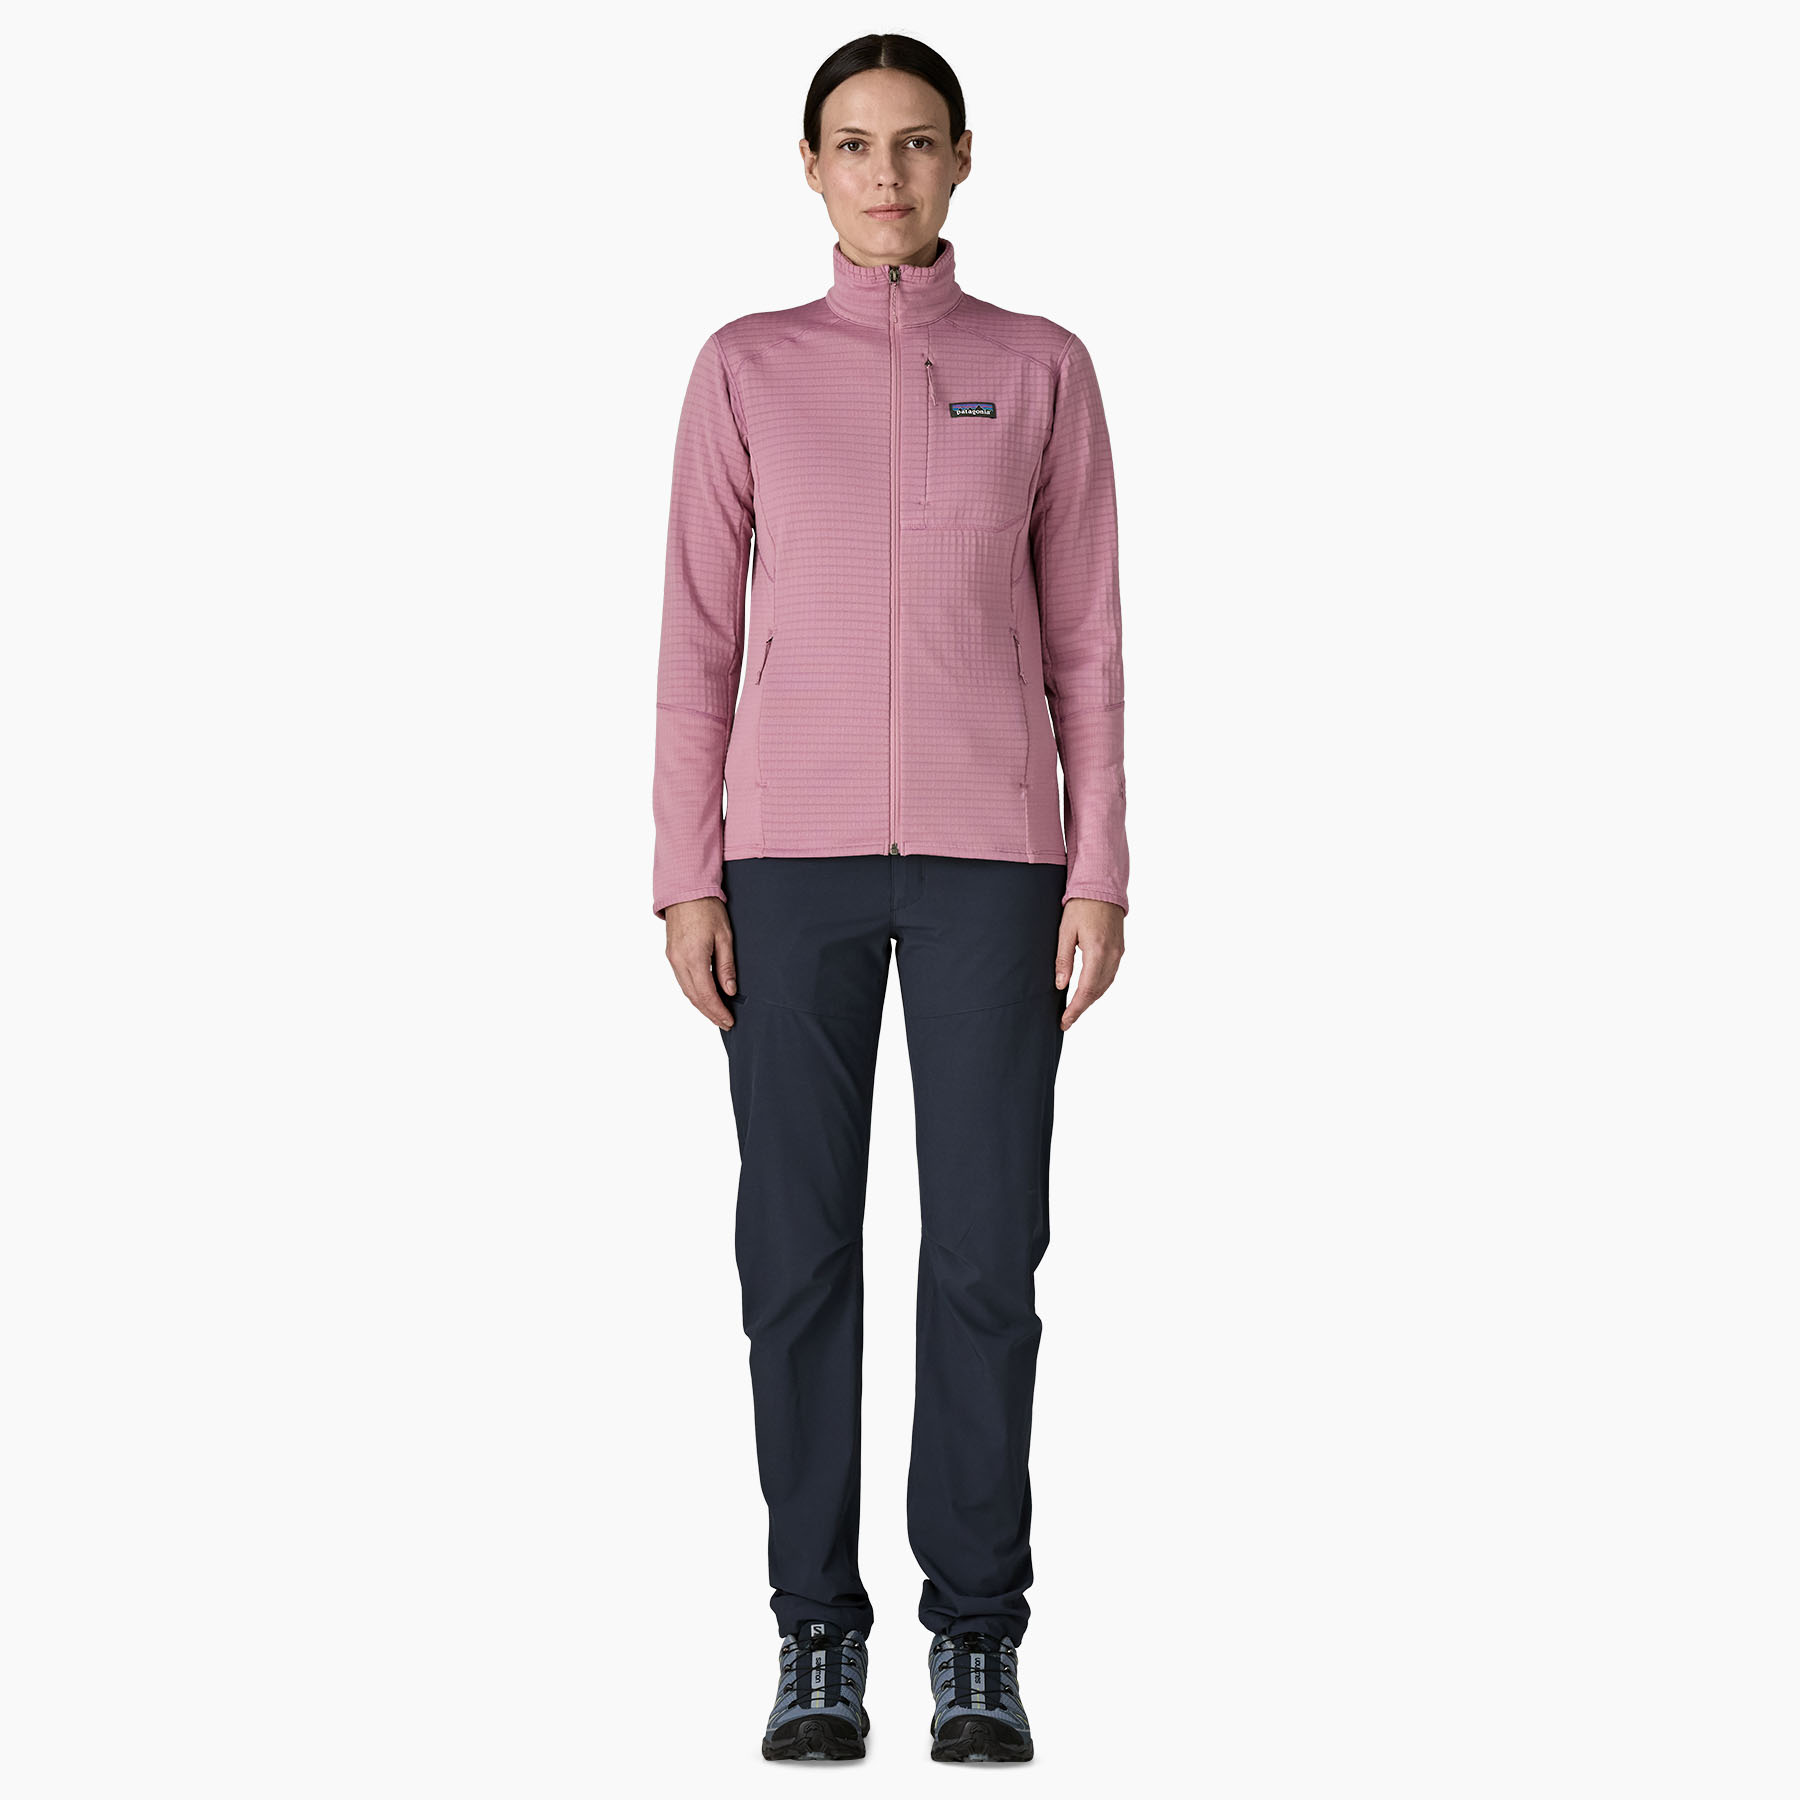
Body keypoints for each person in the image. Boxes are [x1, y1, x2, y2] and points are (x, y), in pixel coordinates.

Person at [650, 32, 1129, 1764]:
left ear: (964, 159)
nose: (885, 175)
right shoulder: (746, 368)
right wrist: (682, 874)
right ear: (808, 167)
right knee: (796, 1255)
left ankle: (977, 1635)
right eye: (853, 145)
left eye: (916, 144)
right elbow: (697, 635)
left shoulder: (1042, 366)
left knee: (989, 1251)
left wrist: (1101, 864)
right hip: (786, 864)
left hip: (1001, 864)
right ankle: (815, 1634)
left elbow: (1087, 638)